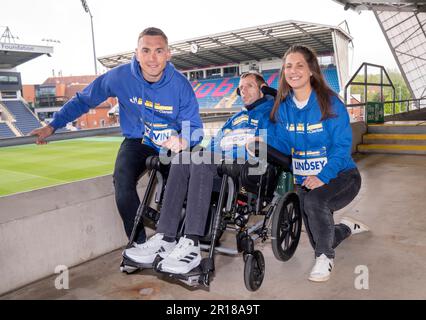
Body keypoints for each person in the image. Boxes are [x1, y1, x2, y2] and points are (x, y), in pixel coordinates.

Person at [29, 27, 203, 246]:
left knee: (177, 186)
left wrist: (183, 140)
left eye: (159, 51)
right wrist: (52, 126)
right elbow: (84, 100)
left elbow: (195, 126)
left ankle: (174, 240)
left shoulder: (181, 85)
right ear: (137, 53)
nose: (152, 58)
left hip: (171, 145)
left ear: (168, 54)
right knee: (122, 182)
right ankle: (138, 244)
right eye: (146, 50)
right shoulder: (119, 77)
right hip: (137, 141)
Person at [124, 71, 276, 274]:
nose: (243, 90)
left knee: (201, 160)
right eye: (240, 88)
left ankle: (191, 244)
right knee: (182, 158)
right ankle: (166, 237)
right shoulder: (235, 118)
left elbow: (268, 146)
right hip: (220, 165)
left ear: (262, 87)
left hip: (247, 168)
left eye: (249, 85)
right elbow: (214, 145)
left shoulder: (272, 113)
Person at [268, 45, 369, 282]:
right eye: (288, 66)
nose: (292, 71)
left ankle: (325, 257)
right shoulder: (284, 107)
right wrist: (259, 140)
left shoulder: (330, 103)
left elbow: (342, 148)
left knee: (315, 203)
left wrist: (323, 176)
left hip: (342, 176)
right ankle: (345, 228)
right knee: (320, 233)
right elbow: (282, 143)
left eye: (299, 65)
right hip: (306, 181)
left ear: (311, 70)